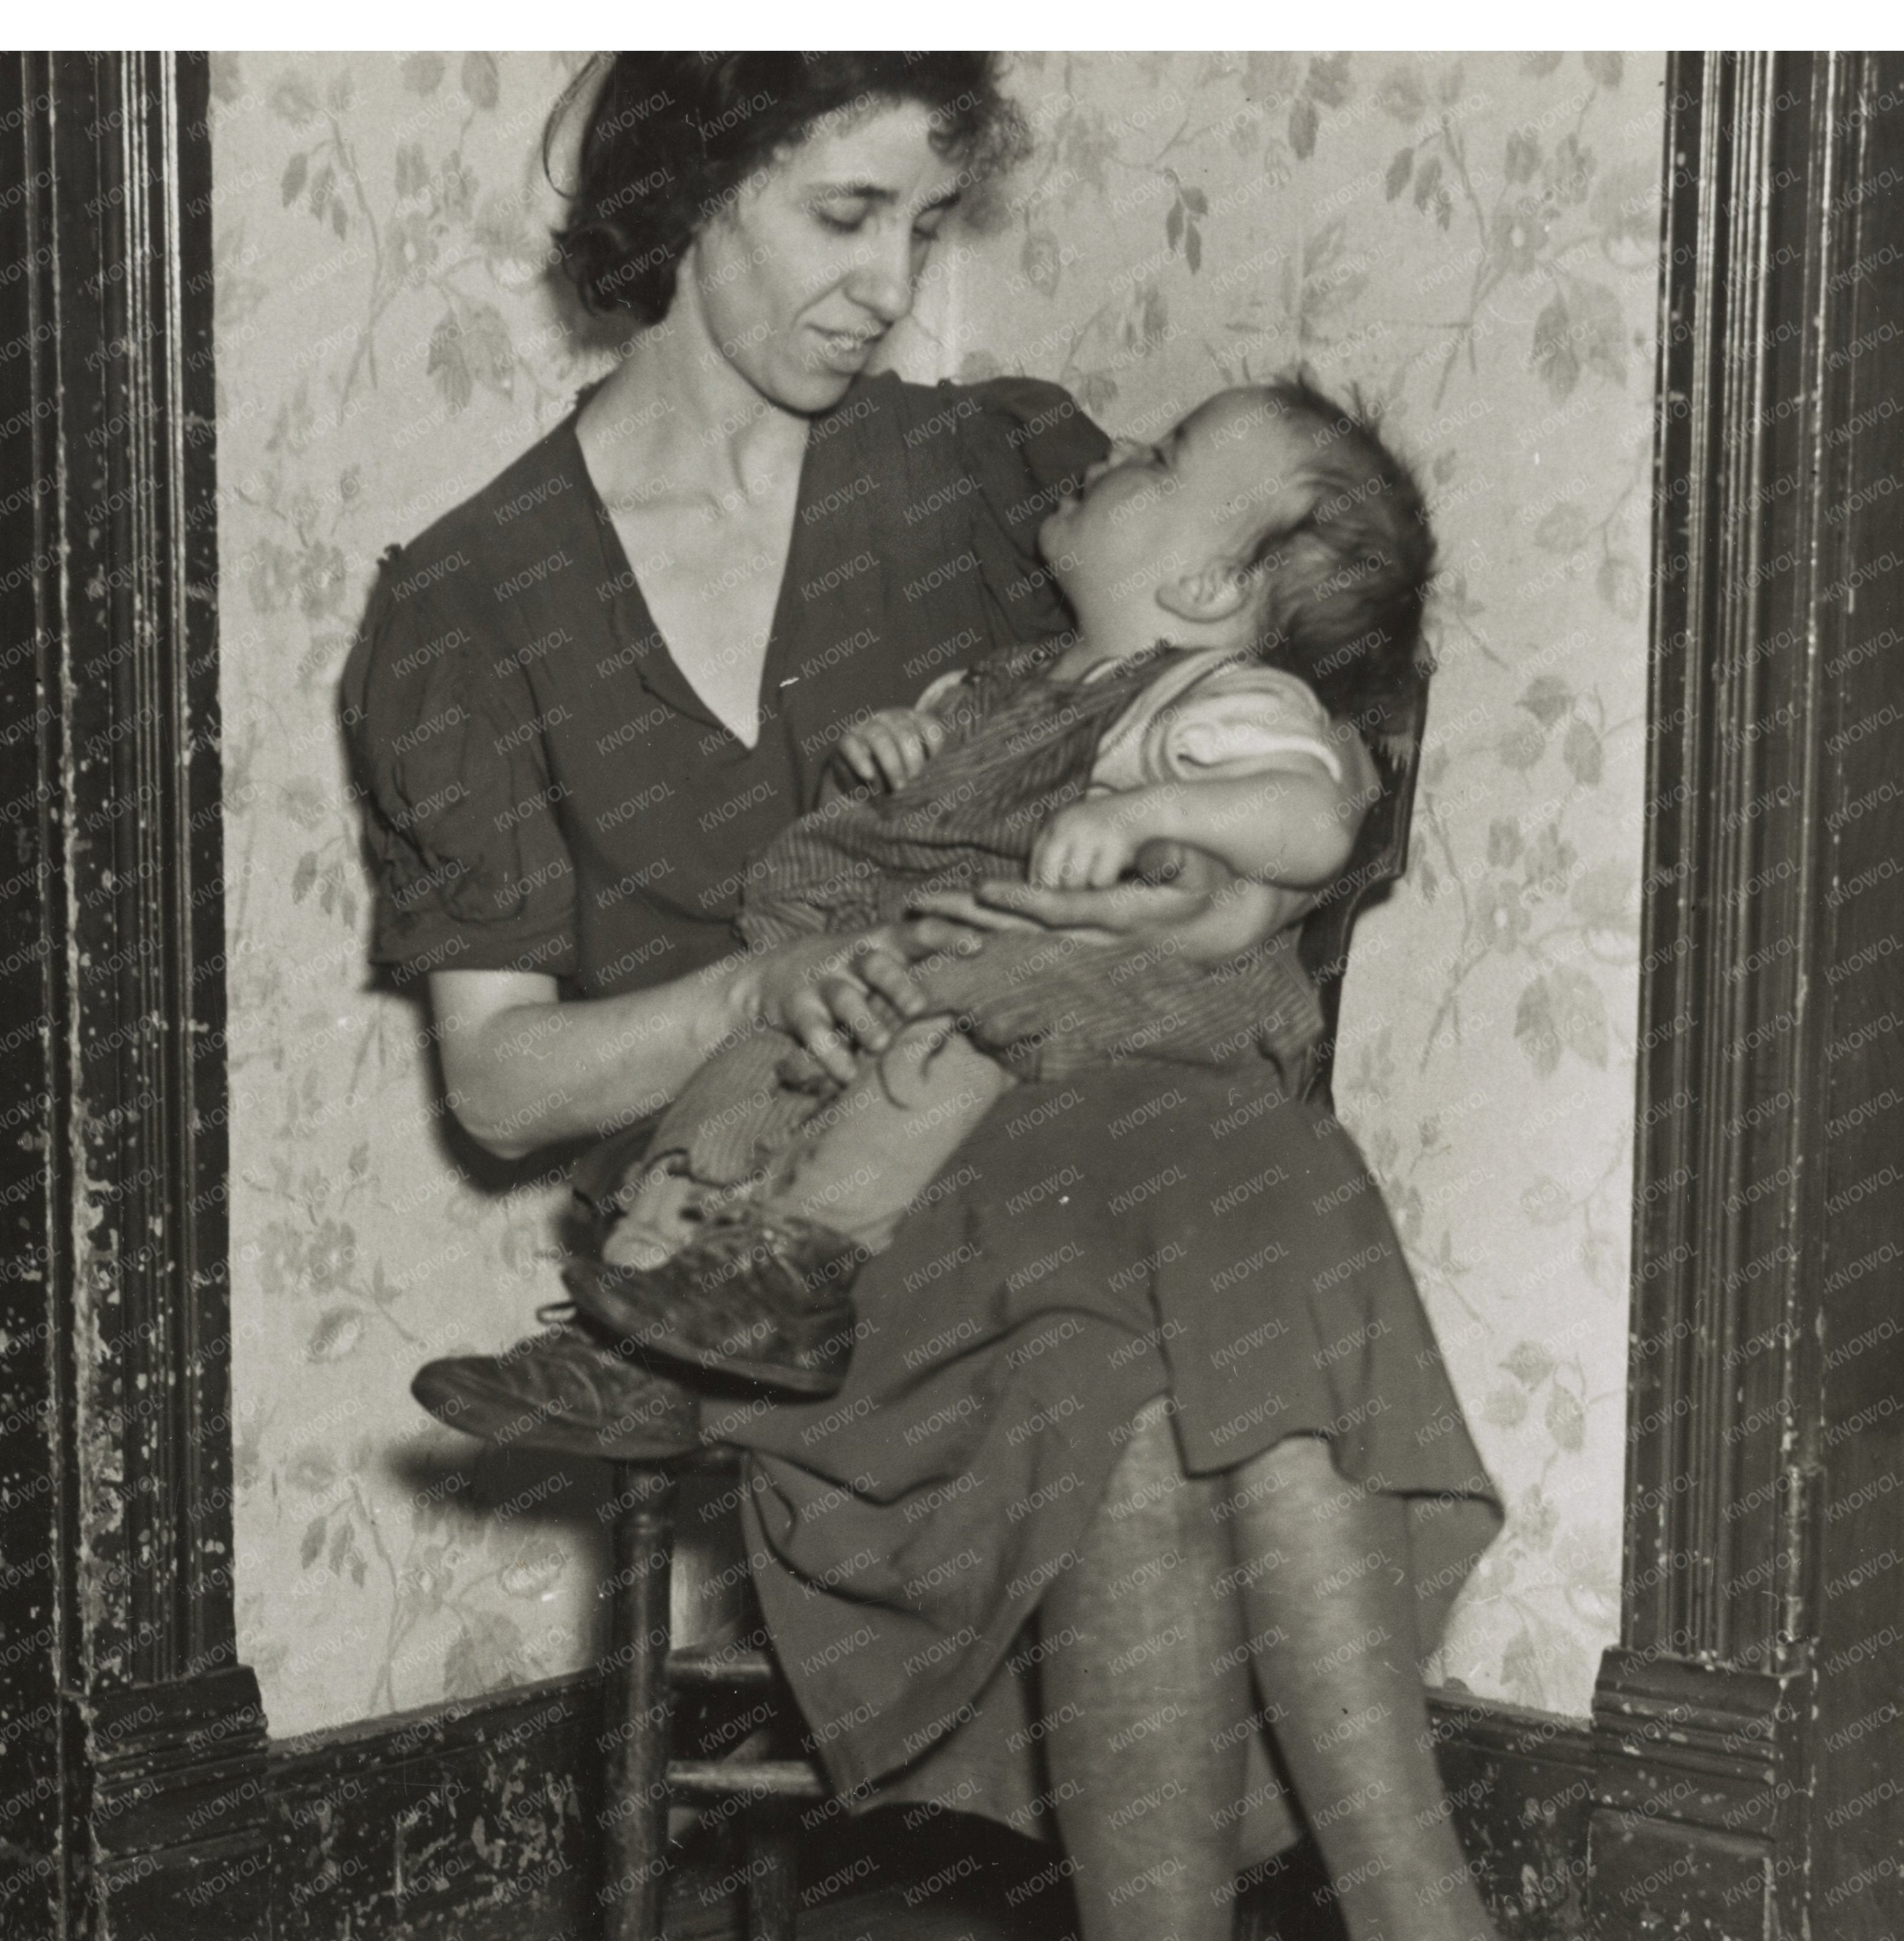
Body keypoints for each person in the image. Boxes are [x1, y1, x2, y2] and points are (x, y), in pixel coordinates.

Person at [345, 53, 1698, 1941]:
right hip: (802, 1256)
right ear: (680, 195)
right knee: (1188, 1317)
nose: (894, 291)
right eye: (846, 217)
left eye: (926, 227)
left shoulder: (996, 472)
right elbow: (518, 1088)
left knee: (1190, 1249)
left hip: (1127, 1140)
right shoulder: (474, 602)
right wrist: (812, 975)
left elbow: (1285, 718)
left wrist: (1233, 886)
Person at [417, 373, 1416, 1416]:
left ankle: (806, 1262)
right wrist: (881, 761)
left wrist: (1144, 816)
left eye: (1163, 457)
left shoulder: (1218, 699)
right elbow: (902, 834)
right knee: (756, 1055)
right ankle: (640, 1311)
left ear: (1213, 588)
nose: (1119, 445)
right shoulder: (1002, 684)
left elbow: (1313, 821)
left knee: (938, 1043)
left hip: (1076, 998)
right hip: (923, 952)